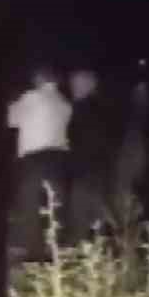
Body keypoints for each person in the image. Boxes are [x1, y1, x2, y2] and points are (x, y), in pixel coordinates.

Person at [7, 64, 73, 259]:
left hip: (34, 157)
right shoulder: (64, 103)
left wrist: (11, 103)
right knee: (55, 202)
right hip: (58, 157)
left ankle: (28, 246)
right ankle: (55, 245)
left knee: (29, 200)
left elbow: (11, 119)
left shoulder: (31, 97)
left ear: (39, 78)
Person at [66, 68, 121, 239]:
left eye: (77, 84)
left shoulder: (83, 109)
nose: (73, 87)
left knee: (81, 217)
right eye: (72, 84)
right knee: (97, 216)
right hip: (97, 171)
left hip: (87, 171)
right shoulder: (99, 108)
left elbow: (86, 142)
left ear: (90, 85)